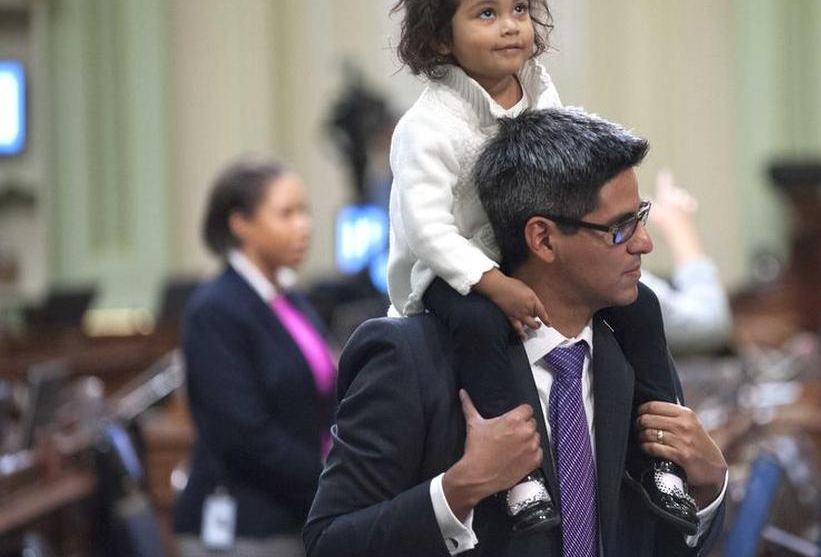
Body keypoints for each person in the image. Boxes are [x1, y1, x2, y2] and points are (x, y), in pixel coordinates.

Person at [385, 0, 697, 534]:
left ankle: (664, 459)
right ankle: (521, 474)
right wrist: (491, 283)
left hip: (512, 255)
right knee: (480, 323)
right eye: (486, 14)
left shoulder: (536, 87)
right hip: (446, 273)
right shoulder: (427, 125)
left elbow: (563, 167)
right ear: (440, 37)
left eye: (519, 9)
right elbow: (426, 230)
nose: (511, 26)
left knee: (642, 305)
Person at [304, 107, 727, 557]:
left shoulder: (632, 353)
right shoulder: (410, 359)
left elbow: (658, 543)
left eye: (640, 216)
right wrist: (460, 487)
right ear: (542, 239)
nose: (645, 242)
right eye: (621, 228)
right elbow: (329, 543)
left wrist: (708, 485)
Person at [174, 159, 337, 557]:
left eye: (304, 212)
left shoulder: (291, 298)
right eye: (287, 213)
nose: (304, 226)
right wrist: (333, 480)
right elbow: (243, 435)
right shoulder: (215, 309)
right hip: (246, 526)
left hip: (300, 510)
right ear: (241, 224)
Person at [641, 170, 732, 353]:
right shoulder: (611, 281)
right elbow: (709, 322)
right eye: (621, 223)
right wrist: (679, 229)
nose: (645, 244)